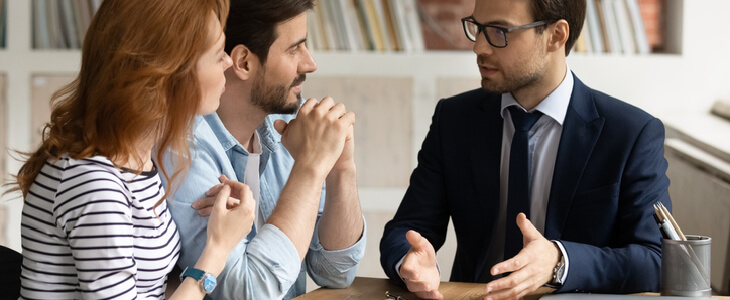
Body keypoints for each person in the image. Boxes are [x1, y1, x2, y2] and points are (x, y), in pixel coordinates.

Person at [379, 0, 671, 299]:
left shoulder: (630, 133)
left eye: (499, 31)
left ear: (556, 36)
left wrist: (560, 261)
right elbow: (408, 228)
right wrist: (409, 261)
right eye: (477, 28)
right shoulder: (454, 119)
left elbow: (656, 261)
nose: (479, 46)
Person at [12, 0, 258, 298]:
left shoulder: (137, 160)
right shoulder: (94, 182)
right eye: (218, 53)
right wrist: (218, 248)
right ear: (166, 74)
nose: (229, 62)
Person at [162, 0, 366, 299]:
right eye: (295, 49)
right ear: (243, 62)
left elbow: (335, 272)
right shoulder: (183, 147)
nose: (310, 64)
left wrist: (340, 169)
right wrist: (309, 168)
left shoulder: (284, 122)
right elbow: (246, 293)